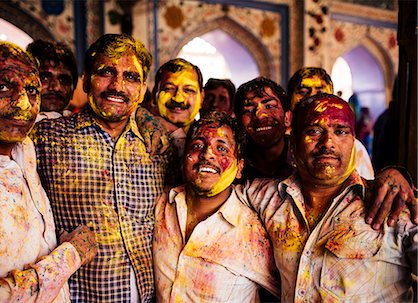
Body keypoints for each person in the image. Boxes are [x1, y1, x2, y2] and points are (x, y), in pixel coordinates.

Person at [237, 93, 417, 302]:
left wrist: (398, 173)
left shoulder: (394, 207)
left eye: (340, 131)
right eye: (314, 131)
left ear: (353, 143)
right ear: (293, 146)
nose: (328, 142)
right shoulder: (268, 198)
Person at [33, 34, 172, 302]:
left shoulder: (159, 147)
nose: (117, 86)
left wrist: (146, 118)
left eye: (131, 77)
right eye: (106, 72)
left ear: (143, 89)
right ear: (86, 80)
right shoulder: (46, 138)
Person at [0, 41, 97, 301]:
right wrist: (70, 255)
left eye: (31, 89)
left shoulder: (25, 147)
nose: (24, 105)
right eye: (3, 87)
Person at [153, 111, 280, 302]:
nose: (207, 154)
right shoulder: (161, 204)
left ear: (239, 168)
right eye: (197, 145)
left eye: (222, 149)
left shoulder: (252, 232)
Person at [287, 67, 375, 180]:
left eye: (320, 93)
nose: (312, 98)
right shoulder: (278, 145)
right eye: (303, 92)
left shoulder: (353, 148)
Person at [234, 76, 294, 180]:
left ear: (287, 117)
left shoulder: (304, 160)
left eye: (269, 106)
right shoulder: (231, 163)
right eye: (248, 110)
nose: (259, 115)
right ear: (238, 121)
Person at [26, 39, 79, 122]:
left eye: (63, 80)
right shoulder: (6, 126)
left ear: (73, 88)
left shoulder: (83, 129)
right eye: (45, 78)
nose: (55, 87)